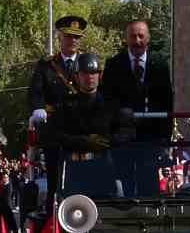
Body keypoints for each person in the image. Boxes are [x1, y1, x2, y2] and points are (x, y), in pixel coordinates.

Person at [42, 53, 123, 195]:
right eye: (85, 73)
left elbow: (122, 134)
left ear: (100, 75)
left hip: (103, 170)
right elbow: (56, 135)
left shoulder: (111, 105)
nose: (89, 77)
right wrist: (84, 141)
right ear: (77, 76)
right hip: (76, 170)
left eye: (93, 73)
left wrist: (106, 141)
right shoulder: (65, 105)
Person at [102, 19, 174, 141]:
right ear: (126, 38)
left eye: (141, 36)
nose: (137, 41)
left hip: (153, 136)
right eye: (132, 36)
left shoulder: (160, 65)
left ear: (148, 38)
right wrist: (121, 112)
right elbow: (107, 98)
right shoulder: (113, 65)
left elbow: (166, 101)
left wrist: (166, 137)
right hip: (122, 136)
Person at [28, 15, 88, 123]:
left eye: (77, 37)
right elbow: (35, 92)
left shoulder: (87, 63)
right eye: (68, 36)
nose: (73, 40)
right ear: (60, 37)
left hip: (82, 121)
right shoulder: (45, 65)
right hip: (54, 122)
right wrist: (38, 107)